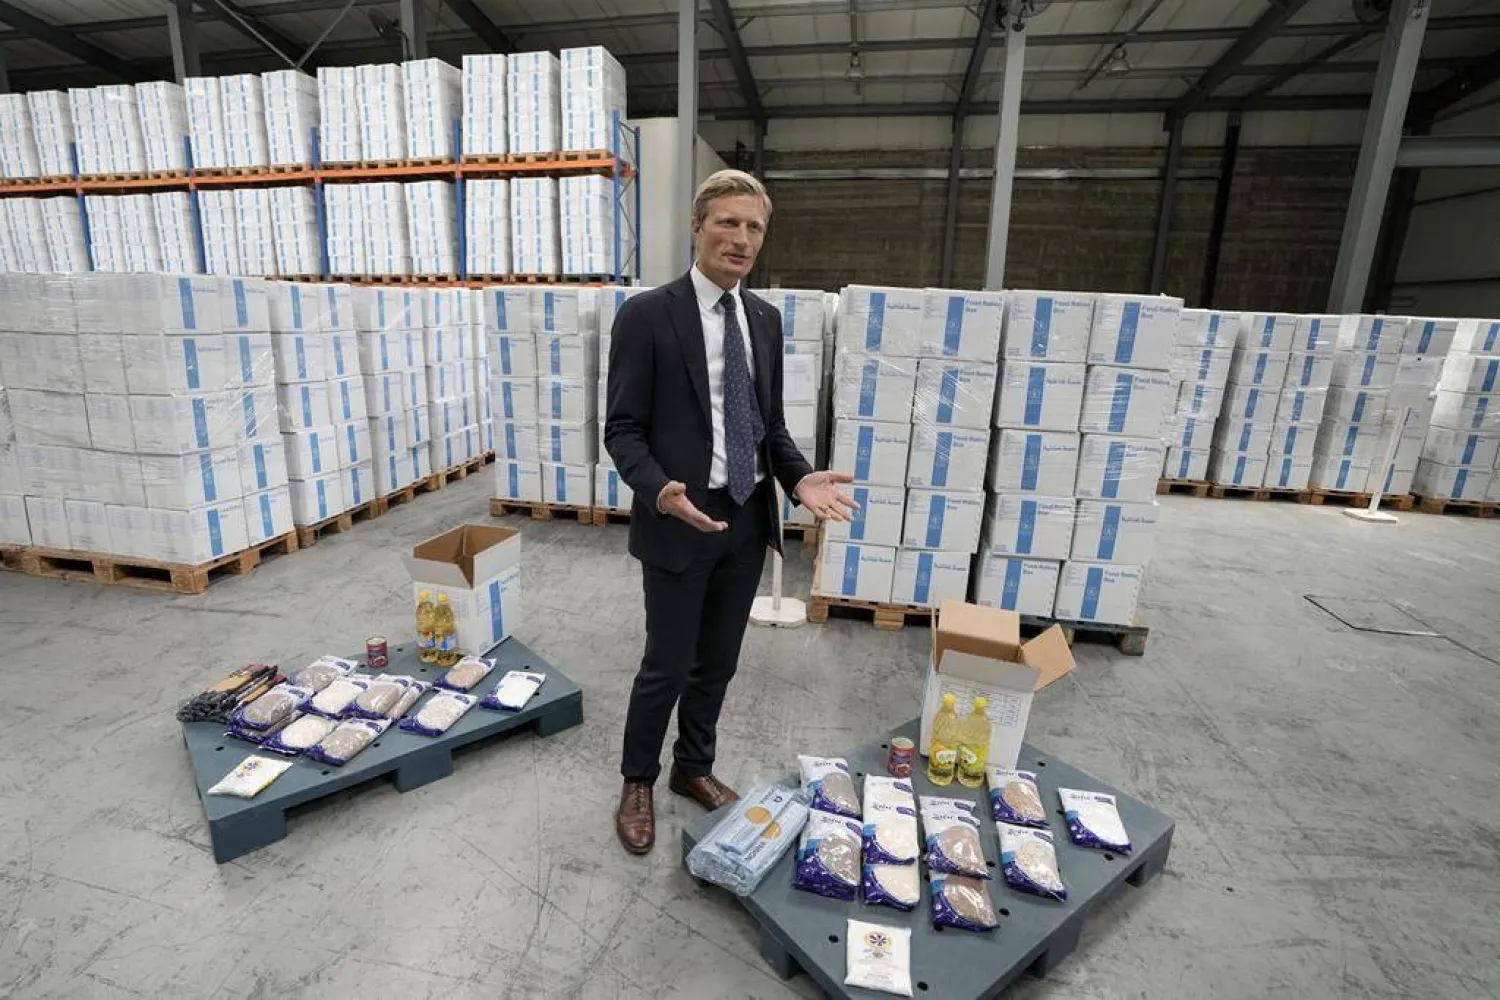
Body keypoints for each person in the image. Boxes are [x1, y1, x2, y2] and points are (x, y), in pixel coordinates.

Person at [604, 169, 859, 855]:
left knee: (717, 662)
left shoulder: (765, 321)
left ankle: (694, 769)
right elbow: (622, 429)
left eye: (753, 227)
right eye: (728, 222)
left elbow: (768, 427)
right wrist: (659, 489)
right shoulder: (648, 316)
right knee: (667, 663)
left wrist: (799, 480)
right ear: (697, 226)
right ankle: (637, 780)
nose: (741, 239)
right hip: (680, 521)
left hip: (746, 520)